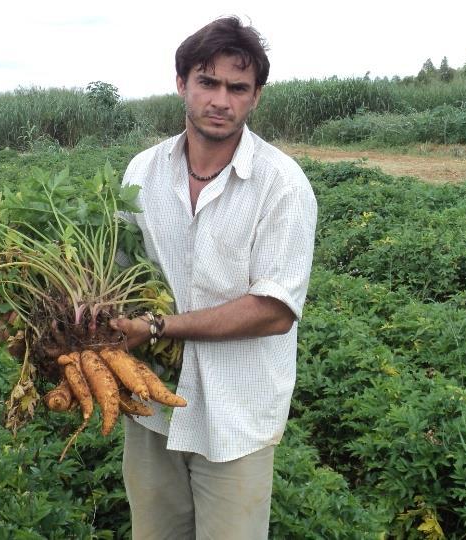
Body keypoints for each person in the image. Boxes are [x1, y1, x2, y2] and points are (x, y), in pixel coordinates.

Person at [108, 16, 317, 540]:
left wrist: (157, 327)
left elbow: (273, 310)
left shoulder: (282, 187)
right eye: (208, 82)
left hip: (235, 415)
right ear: (182, 84)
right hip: (151, 403)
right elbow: (118, 271)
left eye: (237, 88)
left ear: (255, 97)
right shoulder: (142, 173)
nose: (220, 100)